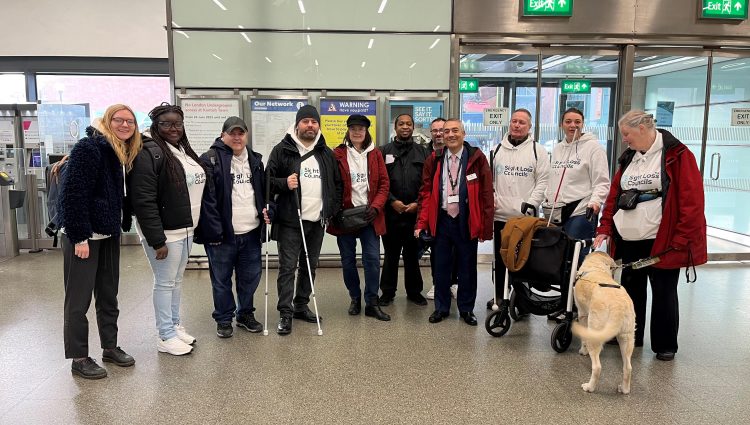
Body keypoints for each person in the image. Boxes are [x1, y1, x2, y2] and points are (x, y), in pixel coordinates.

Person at [594, 110, 707, 361]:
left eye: (627, 134)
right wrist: (605, 227)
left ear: (643, 129)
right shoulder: (629, 158)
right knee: (630, 290)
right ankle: (630, 336)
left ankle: (665, 344)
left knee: (664, 292)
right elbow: (614, 196)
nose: (624, 139)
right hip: (628, 239)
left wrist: (681, 239)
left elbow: (692, 202)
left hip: (662, 240)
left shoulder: (677, 156)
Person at [58, 104, 142, 379]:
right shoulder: (89, 148)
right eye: (119, 120)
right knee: (78, 300)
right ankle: (79, 357)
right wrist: (79, 235)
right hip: (83, 236)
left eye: (130, 121)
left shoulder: (118, 152)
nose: (125, 125)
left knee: (108, 294)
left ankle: (110, 346)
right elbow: (73, 194)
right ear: (108, 121)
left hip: (108, 233)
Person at [129, 103, 206, 356]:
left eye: (178, 124)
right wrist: (156, 239)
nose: (173, 128)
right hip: (165, 234)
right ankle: (165, 335)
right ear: (156, 126)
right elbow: (143, 200)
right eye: (166, 124)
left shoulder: (181, 149)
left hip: (185, 229)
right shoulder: (148, 152)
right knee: (164, 283)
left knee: (175, 281)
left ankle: (173, 325)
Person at [266, 105, 343, 335]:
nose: (310, 125)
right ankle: (285, 312)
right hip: (291, 221)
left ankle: (301, 305)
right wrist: (284, 183)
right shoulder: (282, 150)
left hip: (316, 221)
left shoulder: (325, 153)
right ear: (297, 124)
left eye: (314, 122)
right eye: (305, 121)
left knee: (310, 266)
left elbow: (337, 184)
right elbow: (268, 181)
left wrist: (330, 209)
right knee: (288, 268)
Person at [194, 117, 272, 338]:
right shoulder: (210, 160)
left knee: (250, 278)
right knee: (221, 280)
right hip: (222, 236)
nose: (237, 137)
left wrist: (269, 209)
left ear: (246, 135)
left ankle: (245, 313)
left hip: (251, 233)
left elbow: (264, 194)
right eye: (232, 133)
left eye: (241, 133)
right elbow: (206, 201)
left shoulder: (256, 161)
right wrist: (213, 232)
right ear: (223, 135)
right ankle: (224, 318)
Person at [415, 118, 493, 325]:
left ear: (463, 134)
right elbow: (425, 192)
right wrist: (421, 223)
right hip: (441, 220)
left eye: (455, 131)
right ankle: (441, 308)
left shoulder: (476, 158)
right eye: (446, 131)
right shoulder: (435, 159)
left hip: (466, 220)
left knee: (467, 267)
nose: (450, 135)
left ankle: (466, 309)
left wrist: (486, 226)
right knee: (441, 267)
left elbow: (486, 193)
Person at [327, 114, 391, 321]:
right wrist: (333, 212)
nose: (357, 132)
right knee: (348, 261)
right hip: (344, 218)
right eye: (353, 128)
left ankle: (371, 302)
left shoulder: (376, 154)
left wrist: (376, 207)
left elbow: (384, 184)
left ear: (366, 132)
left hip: (369, 216)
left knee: (372, 260)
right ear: (348, 131)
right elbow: (331, 185)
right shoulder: (337, 154)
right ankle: (355, 298)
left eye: (361, 129)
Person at [486, 108, 550, 309]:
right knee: (500, 258)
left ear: (529, 127)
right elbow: (490, 182)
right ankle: (500, 297)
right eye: (514, 121)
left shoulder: (537, 151)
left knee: (523, 260)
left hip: (525, 219)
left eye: (522, 122)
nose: (517, 125)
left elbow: (543, 181)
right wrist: (493, 199)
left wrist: (532, 203)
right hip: (500, 216)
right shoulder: (497, 150)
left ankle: (522, 301)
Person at [379, 114, 430, 306]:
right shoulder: (383, 152)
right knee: (390, 255)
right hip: (391, 213)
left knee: (411, 256)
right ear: (395, 127)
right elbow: (379, 182)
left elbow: (428, 183)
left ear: (413, 127)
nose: (405, 127)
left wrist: (418, 203)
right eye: (401, 124)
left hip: (414, 215)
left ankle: (414, 292)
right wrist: (392, 201)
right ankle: (387, 292)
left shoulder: (423, 153)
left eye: (409, 124)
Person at [543, 107, 609, 243]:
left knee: (576, 255)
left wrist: (596, 202)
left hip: (581, 210)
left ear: (583, 124)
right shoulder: (557, 149)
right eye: (568, 121)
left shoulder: (594, 148)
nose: (573, 125)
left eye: (577, 122)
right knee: (557, 256)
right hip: (556, 213)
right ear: (561, 125)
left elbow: (602, 182)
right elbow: (554, 178)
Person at [424, 117, 459, 301]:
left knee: (457, 254)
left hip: (459, 213)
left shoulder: (467, 155)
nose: (439, 133)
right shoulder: (427, 155)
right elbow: (425, 186)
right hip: (437, 213)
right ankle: (438, 284)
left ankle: (454, 283)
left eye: (442, 130)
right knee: (438, 252)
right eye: (435, 130)